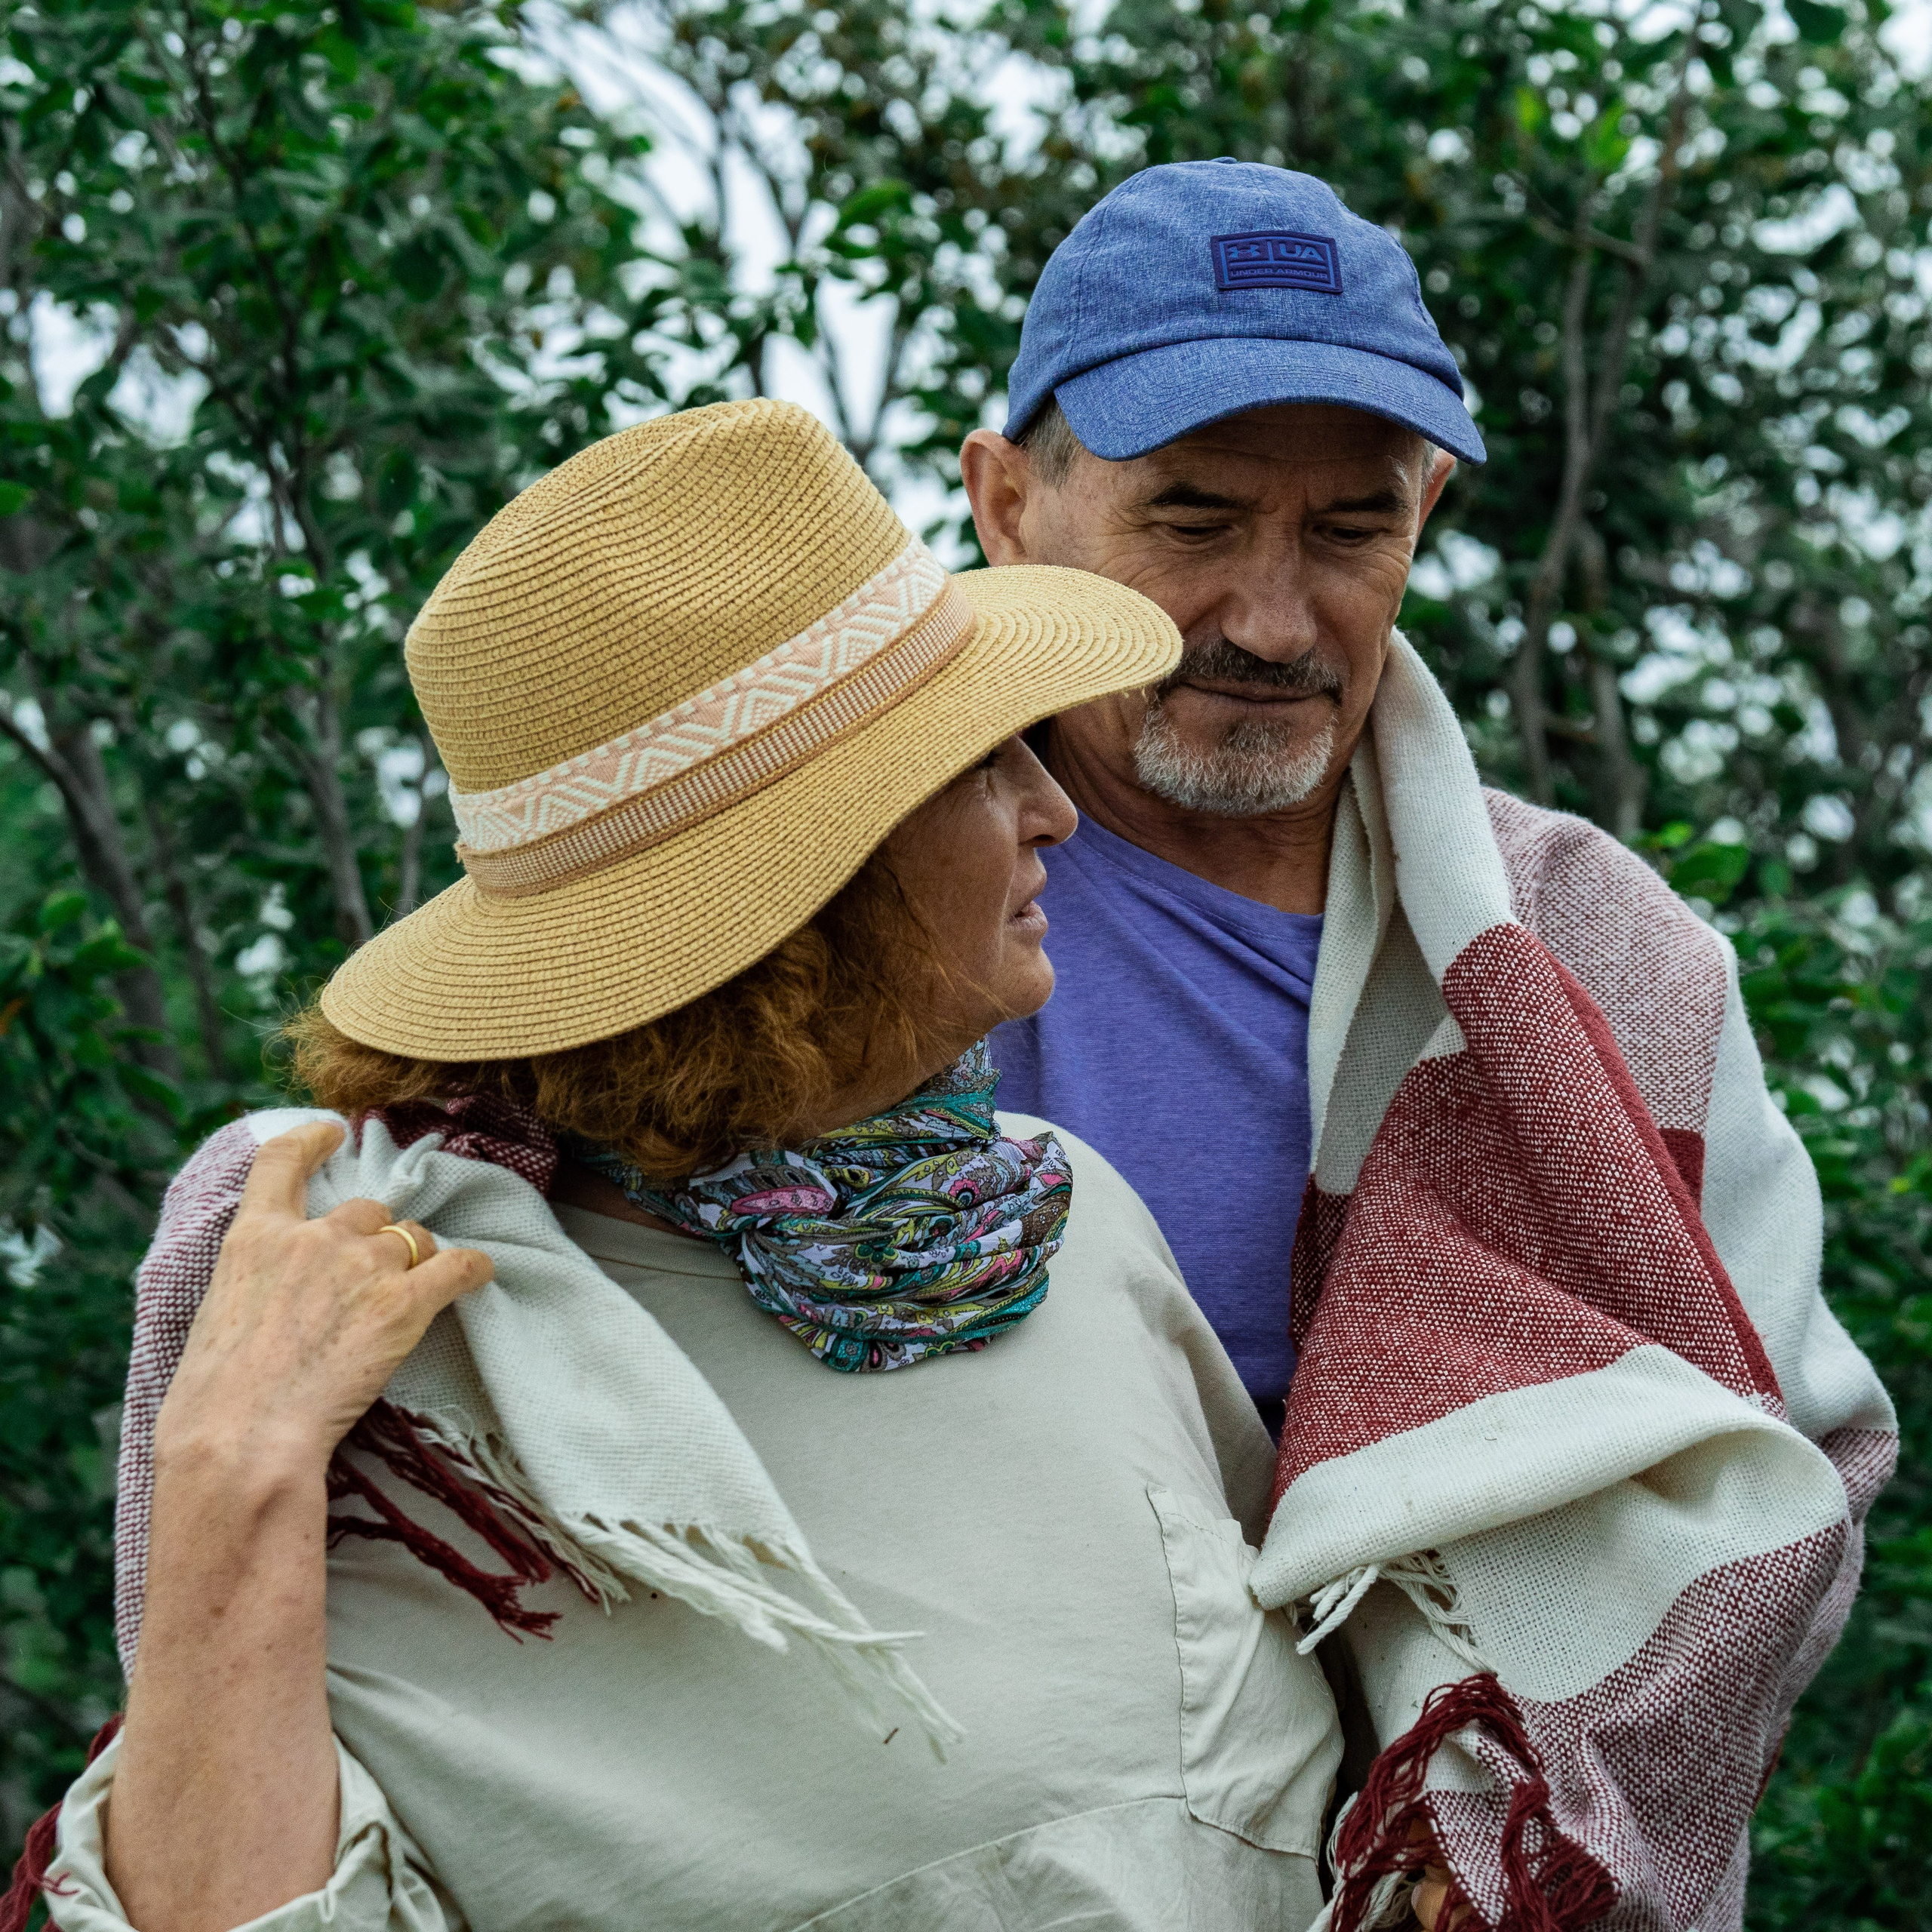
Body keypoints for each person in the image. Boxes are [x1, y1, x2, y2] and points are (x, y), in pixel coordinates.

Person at [27, 400, 1348, 1932]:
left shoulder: (1051, 1207)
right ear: (810, 888)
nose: (1053, 808)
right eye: (985, 766)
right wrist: (231, 1477)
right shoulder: (439, 1374)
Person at [963, 162, 1897, 1932]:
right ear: (1010, 501)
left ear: (1429, 509)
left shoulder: (1597, 958)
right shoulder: (825, 901)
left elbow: (1779, 1460)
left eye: (1346, 529)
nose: (1266, 615)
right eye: (1191, 515)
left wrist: (1499, 1823)